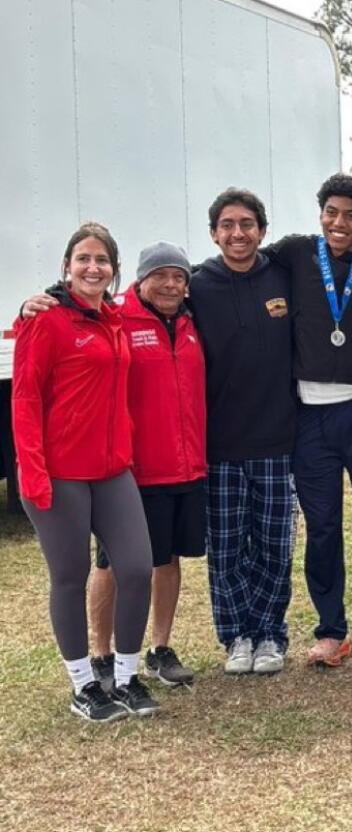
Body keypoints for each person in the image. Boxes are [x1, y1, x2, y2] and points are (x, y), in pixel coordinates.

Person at [12, 224, 157, 721]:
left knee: (137, 569)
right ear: (67, 267)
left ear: (115, 271)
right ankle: (83, 686)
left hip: (113, 470)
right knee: (70, 577)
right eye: (83, 259)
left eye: (102, 260)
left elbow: (167, 290)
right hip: (61, 472)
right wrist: (33, 474)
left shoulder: (114, 318)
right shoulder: (45, 320)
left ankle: (125, 677)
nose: (92, 268)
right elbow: (25, 398)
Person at [263, 174, 352, 667]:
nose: (339, 223)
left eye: (351, 216)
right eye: (331, 213)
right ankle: (331, 630)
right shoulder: (295, 252)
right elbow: (234, 265)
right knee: (322, 528)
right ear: (320, 213)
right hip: (309, 417)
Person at [86, 243, 207, 690]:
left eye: (179, 276)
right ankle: (101, 653)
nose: (171, 284)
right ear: (141, 279)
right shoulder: (116, 317)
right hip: (131, 469)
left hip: (186, 465)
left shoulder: (195, 320)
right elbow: (69, 310)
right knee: (113, 563)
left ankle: (159, 648)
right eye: (161, 276)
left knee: (167, 559)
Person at [190, 188, 297, 675]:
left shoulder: (283, 275)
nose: (238, 233)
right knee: (228, 548)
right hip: (219, 446)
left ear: (262, 230)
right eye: (228, 225)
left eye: (247, 224)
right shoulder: (196, 284)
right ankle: (237, 636)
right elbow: (136, 304)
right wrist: (54, 296)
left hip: (277, 441)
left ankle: (271, 634)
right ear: (214, 233)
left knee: (275, 545)